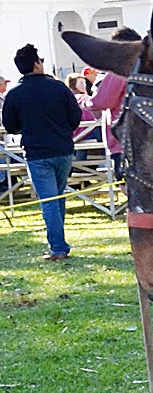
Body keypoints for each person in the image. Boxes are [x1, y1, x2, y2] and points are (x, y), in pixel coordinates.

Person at [3, 44, 82, 261]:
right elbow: (75, 117)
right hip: (63, 149)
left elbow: (10, 126)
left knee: (49, 201)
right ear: (37, 63)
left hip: (37, 153)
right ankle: (59, 242)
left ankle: (58, 246)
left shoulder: (15, 94)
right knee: (58, 199)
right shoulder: (58, 88)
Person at [81, 28, 139, 168]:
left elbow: (101, 102)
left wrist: (81, 99)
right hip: (145, 139)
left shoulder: (119, 72)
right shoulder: (148, 69)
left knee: (127, 186)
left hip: (123, 140)